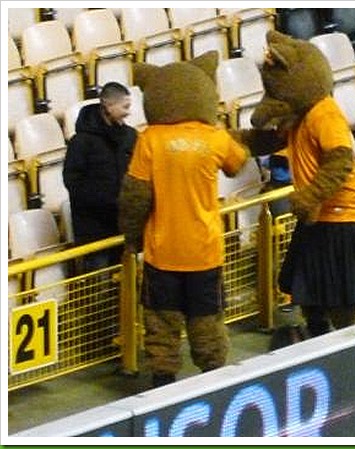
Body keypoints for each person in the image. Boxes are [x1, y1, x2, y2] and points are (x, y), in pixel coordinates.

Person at [118, 53, 251, 388]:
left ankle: (163, 382)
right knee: (207, 321)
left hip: (162, 252)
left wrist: (132, 238)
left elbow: (135, 197)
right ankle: (214, 379)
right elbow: (238, 163)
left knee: (161, 323)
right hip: (205, 251)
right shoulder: (215, 137)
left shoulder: (149, 140)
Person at [248, 31, 355, 337]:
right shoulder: (298, 114)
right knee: (308, 294)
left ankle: (351, 352)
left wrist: (309, 195)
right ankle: (317, 343)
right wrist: (226, 142)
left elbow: (340, 160)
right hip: (316, 216)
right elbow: (266, 139)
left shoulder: (324, 112)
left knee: (341, 303)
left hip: (341, 217)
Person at [63, 82, 137, 272]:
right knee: (98, 292)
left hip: (124, 228)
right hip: (94, 233)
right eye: (125, 107)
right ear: (107, 106)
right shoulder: (80, 142)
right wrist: (109, 200)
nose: (128, 112)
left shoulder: (131, 136)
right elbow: (73, 182)